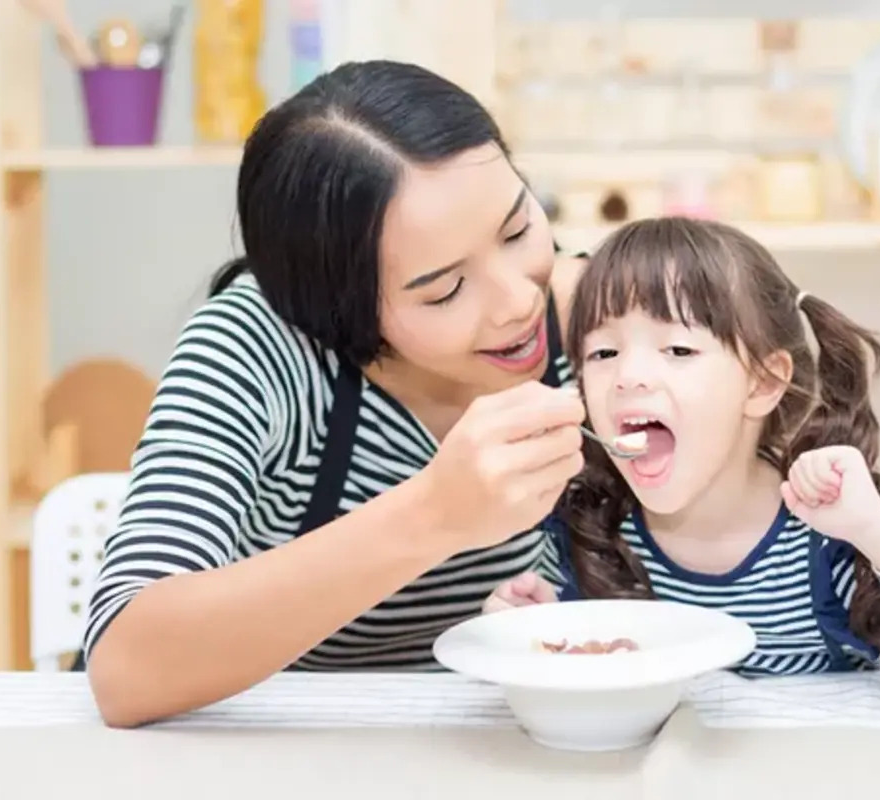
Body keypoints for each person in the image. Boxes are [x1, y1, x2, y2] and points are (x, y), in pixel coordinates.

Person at [82, 60, 592, 727]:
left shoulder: (590, 318)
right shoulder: (259, 347)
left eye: (519, 229)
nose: (520, 300)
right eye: (445, 290)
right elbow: (126, 666)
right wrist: (437, 513)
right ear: (335, 307)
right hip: (280, 750)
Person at [485, 217, 880, 713]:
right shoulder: (586, 534)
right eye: (603, 353)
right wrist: (525, 635)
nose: (628, 376)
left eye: (678, 350)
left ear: (763, 382)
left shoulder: (826, 541)